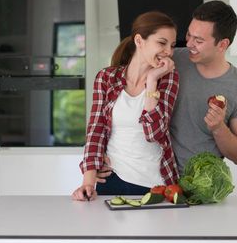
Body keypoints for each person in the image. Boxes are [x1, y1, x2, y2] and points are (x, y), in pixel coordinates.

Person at [72, 11, 179, 201]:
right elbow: (96, 130)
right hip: (113, 179)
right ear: (139, 41)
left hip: (156, 184)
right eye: (162, 43)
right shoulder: (106, 78)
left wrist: (152, 81)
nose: (169, 52)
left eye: (172, 45)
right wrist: (87, 183)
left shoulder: (168, 78)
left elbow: (154, 133)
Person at [170, 0, 237, 173]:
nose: (188, 44)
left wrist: (218, 128)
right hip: (155, 181)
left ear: (223, 44)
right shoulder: (172, 61)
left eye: (198, 40)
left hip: (202, 187)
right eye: (188, 34)